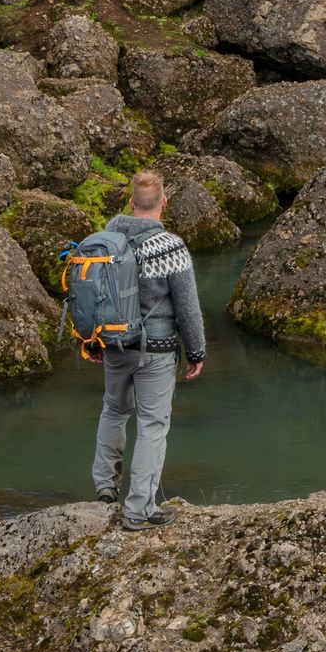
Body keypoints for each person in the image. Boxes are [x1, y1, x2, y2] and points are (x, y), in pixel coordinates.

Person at [88, 169, 204, 530]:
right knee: (152, 425)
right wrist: (196, 351)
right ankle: (139, 510)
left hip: (113, 345)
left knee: (114, 410)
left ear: (130, 203)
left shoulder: (104, 241)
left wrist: (91, 340)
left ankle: (106, 488)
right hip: (157, 348)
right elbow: (187, 307)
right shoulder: (170, 246)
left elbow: (91, 295)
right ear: (164, 203)